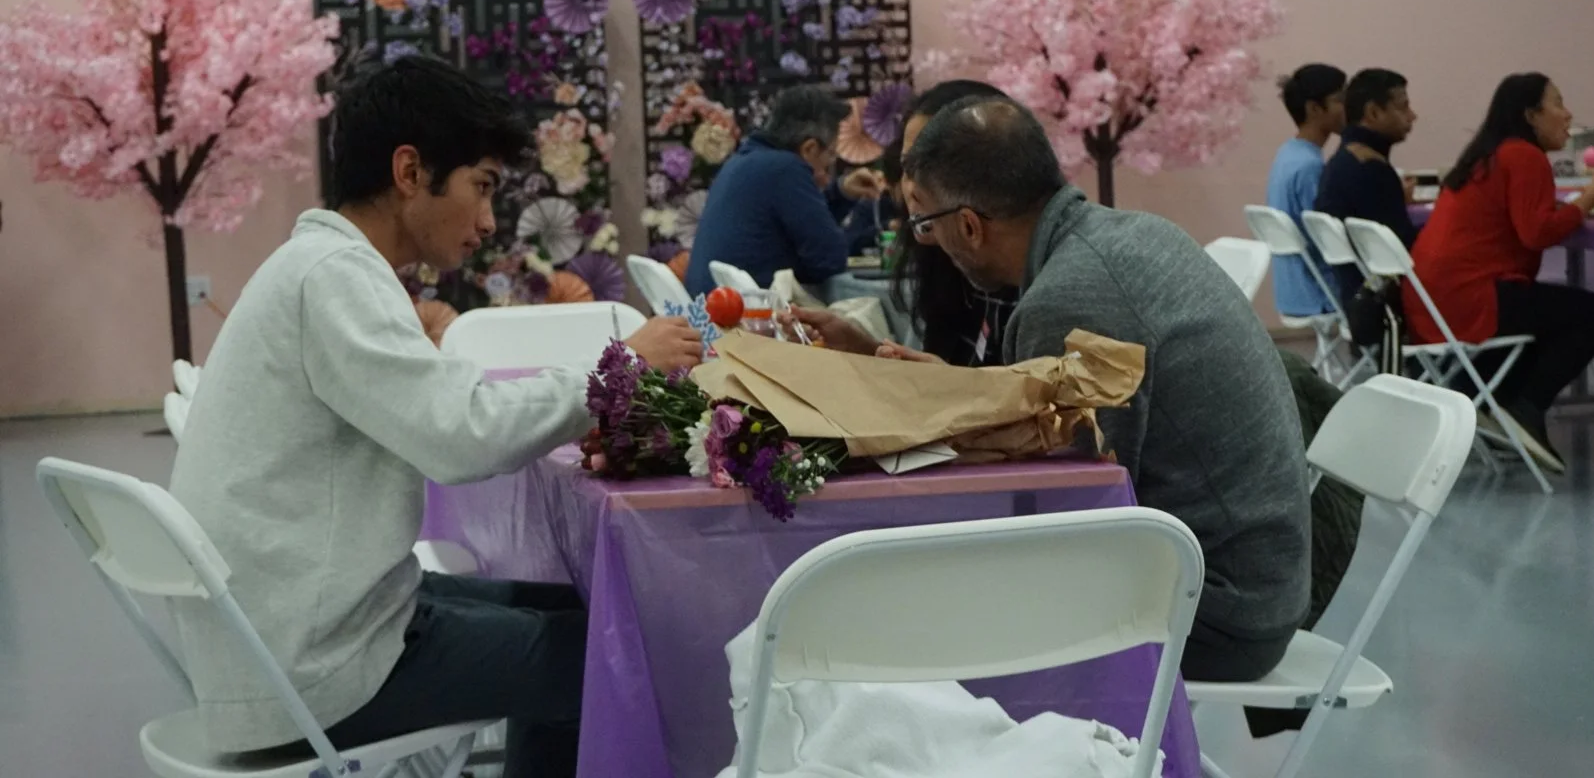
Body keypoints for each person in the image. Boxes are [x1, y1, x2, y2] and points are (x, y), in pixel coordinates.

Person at [168, 53, 703, 776]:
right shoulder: (333, 277)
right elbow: (461, 438)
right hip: (310, 668)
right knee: (603, 657)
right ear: (411, 172)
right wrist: (622, 368)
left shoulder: (322, 265)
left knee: (573, 611)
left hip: (286, 628)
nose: (487, 222)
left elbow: (439, 406)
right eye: (481, 189)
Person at [800, 99, 1311, 682]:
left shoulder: (1069, 298)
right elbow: (1050, 439)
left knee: (895, 597)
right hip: (1249, 584)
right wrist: (927, 385)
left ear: (968, 225)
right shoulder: (1128, 234)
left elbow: (1058, 502)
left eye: (927, 225)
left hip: (1216, 614)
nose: (931, 242)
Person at [1408, 73, 1594, 472]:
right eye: (1557, 102)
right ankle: (1525, 408)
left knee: (1548, 313)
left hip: (1435, 297)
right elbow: (1537, 233)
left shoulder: (1490, 154)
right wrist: (1588, 200)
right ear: (1531, 115)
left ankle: (1500, 406)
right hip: (1473, 296)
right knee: (1592, 313)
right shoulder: (1523, 155)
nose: (1568, 113)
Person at [685, 85, 882, 295]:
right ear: (810, 149)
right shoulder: (786, 169)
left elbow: (800, 226)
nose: (828, 168)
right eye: (831, 155)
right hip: (746, 316)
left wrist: (842, 193)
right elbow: (829, 259)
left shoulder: (747, 160)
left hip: (713, 311)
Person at [883, 80, 1020, 367]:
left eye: (930, 169)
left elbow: (1024, 404)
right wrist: (857, 348)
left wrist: (952, 385)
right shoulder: (945, 262)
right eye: (908, 168)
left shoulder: (1020, 273)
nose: (912, 189)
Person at [1313, 68, 1419, 298]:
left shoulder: (1343, 160)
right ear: (1373, 112)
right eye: (1403, 107)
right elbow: (1406, 249)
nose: (1412, 116)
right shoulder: (1371, 170)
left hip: (1356, 296)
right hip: (1385, 301)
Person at [1265, 64, 1346, 317]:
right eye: (1341, 100)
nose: (1349, 107)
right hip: (1318, 292)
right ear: (1314, 108)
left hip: (1291, 291)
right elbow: (1328, 237)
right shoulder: (1310, 166)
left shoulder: (1288, 153)